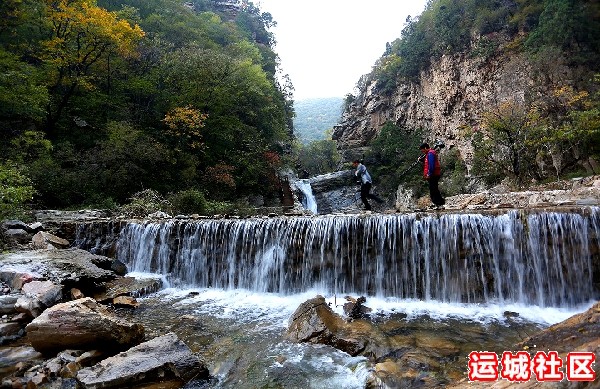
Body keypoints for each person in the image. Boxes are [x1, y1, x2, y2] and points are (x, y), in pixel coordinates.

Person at [419, 143, 445, 207]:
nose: (423, 152)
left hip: (433, 174)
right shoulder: (429, 154)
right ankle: (439, 202)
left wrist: (429, 174)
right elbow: (427, 162)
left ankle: (437, 203)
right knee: (434, 188)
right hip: (434, 174)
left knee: (433, 189)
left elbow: (431, 165)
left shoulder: (430, 154)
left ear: (425, 148)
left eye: (422, 150)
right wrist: (421, 160)